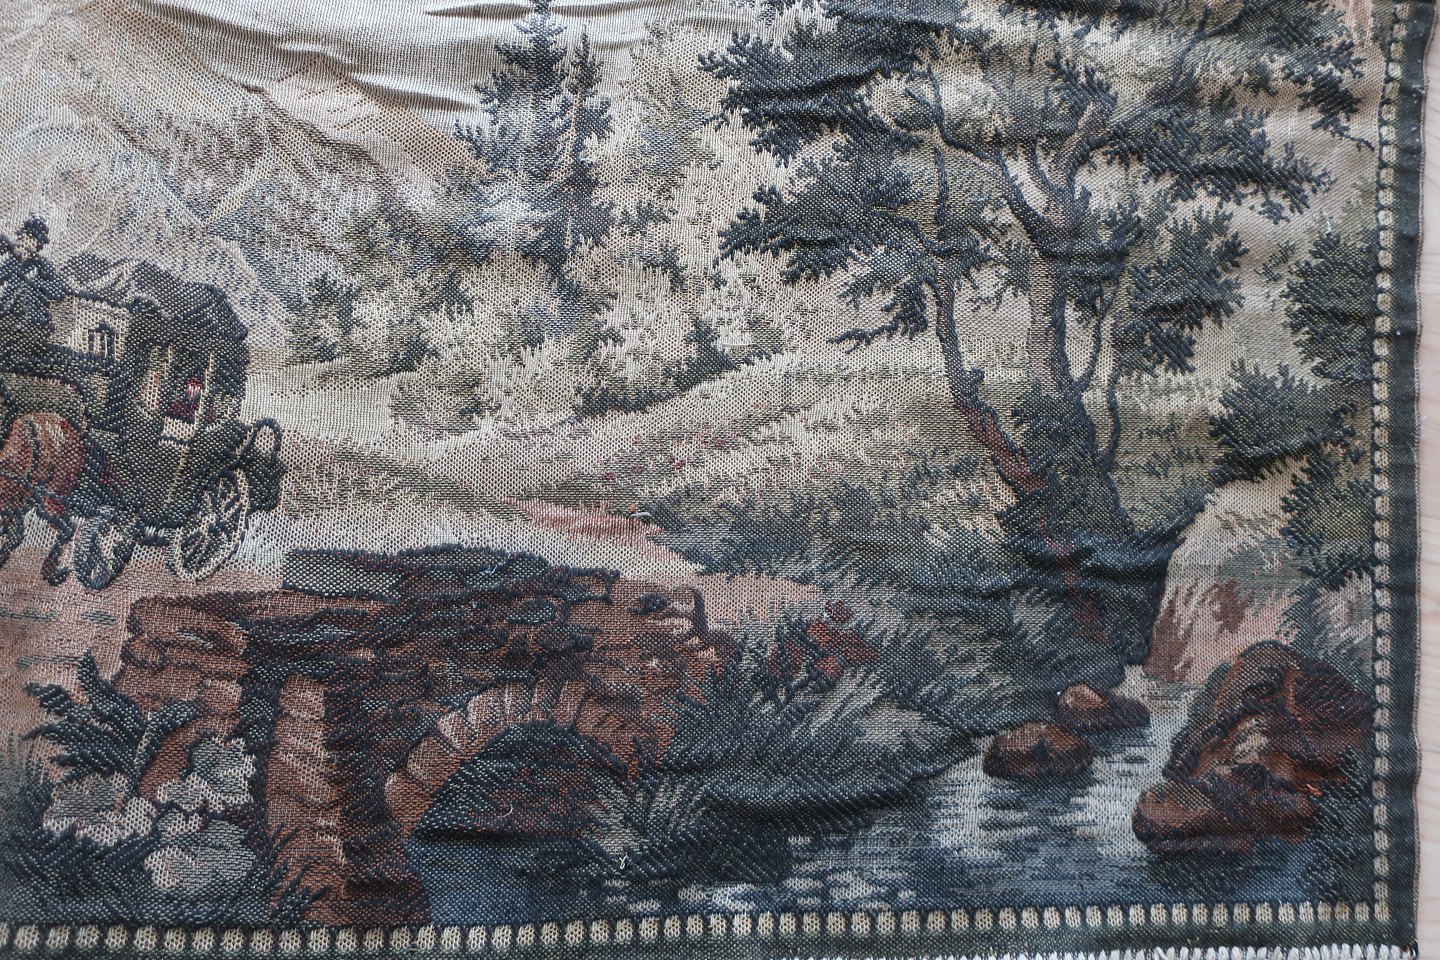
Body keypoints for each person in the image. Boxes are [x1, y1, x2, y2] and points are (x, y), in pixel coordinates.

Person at [0, 216, 67, 368]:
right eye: (20, 237)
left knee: (16, 356)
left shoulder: (43, 268)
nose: (20, 240)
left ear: (36, 243)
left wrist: (34, 279)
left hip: (33, 322)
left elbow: (58, 292)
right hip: (8, 317)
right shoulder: (12, 262)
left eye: (26, 237)